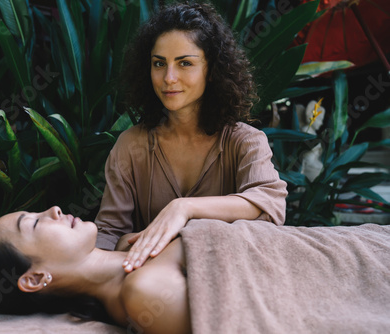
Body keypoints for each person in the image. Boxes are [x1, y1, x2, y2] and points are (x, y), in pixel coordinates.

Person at [94, 2, 288, 272]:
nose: (169, 78)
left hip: (231, 281)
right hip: (151, 289)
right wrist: (129, 243)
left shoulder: (245, 141)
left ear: (212, 70)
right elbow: (108, 235)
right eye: (159, 63)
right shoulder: (130, 145)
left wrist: (184, 209)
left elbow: (270, 203)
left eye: (185, 63)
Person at [0, 206, 191, 334]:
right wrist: (186, 208)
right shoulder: (144, 293)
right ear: (35, 278)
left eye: (36, 212)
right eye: (34, 223)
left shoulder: (128, 243)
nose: (54, 210)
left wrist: (182, 208)